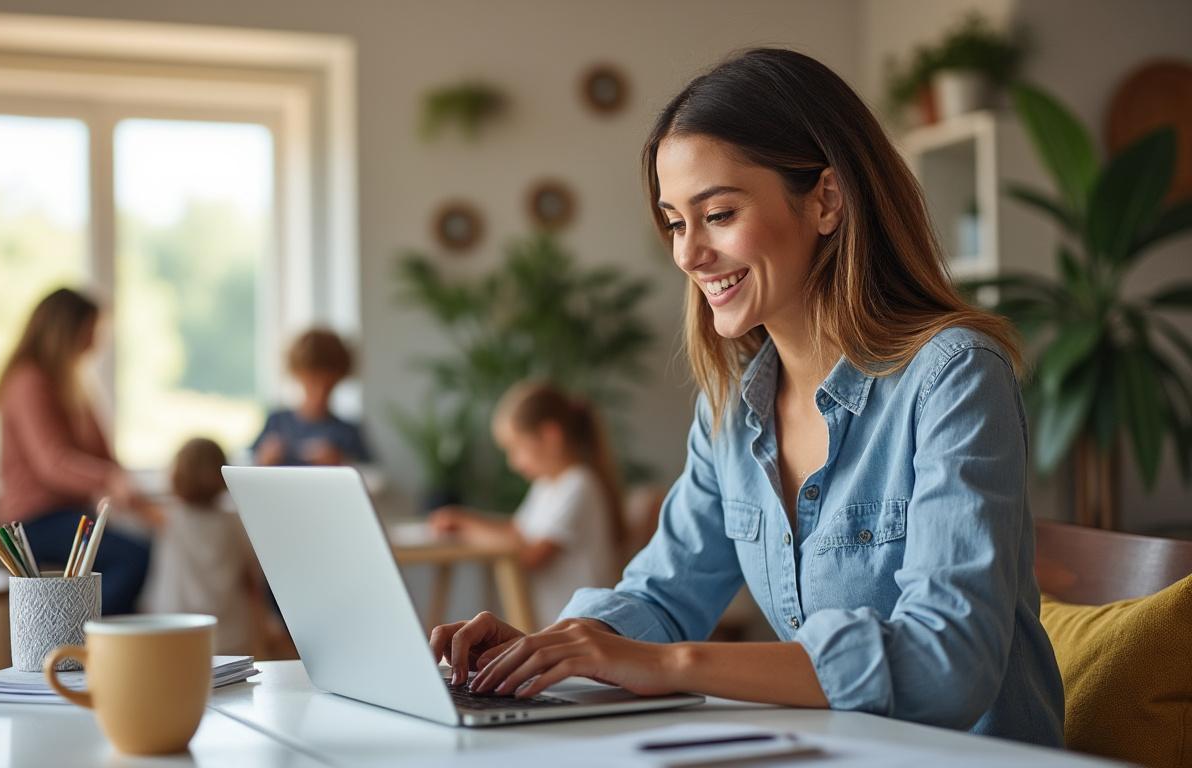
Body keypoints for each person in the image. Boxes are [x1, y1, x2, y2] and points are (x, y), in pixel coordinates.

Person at [427, 49, 1065, 746]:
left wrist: (671, 664)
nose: (688, 254)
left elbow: (948, 663)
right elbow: (665, 594)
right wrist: (550, 649)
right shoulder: (731, 407)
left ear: (826, 199)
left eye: (719, 214)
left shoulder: (955, 377)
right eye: (675, 221)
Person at [0, 288, 150, 614]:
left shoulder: (72, 383)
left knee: (137, 554)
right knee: (133, 556)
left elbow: (103, 457)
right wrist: (110, 478)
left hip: (69, 517)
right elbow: (53, 463)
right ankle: (77, 640)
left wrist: (121, 482)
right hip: (32, 523)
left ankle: (103, 648)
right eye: (91, 330)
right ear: (68, 330)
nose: (96, 341)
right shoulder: (29, 382)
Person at [429, 381, 624, 626]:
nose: (513, 462)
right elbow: (518, 530)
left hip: (577, 627)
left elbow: (531, 555)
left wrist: (470, 529)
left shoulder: (579, 485)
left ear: (549, 436)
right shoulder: (546, 486)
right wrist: (464, 520)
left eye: (516, 448)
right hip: (551, 624)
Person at [141, 437, 262, 655]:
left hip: (174, 634)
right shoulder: (235, 523)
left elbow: (131, 503)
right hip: (230, 638)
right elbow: (251, 580)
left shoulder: (168, 519)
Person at [252, 328, 371, 467]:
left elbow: (371, 475)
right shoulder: (276, 422)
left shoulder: (348, 432)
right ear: (298, 375)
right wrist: (264, 458)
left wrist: (343, 463)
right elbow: (246, 462)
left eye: (328, 385)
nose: (320, 392)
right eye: (312, 382)